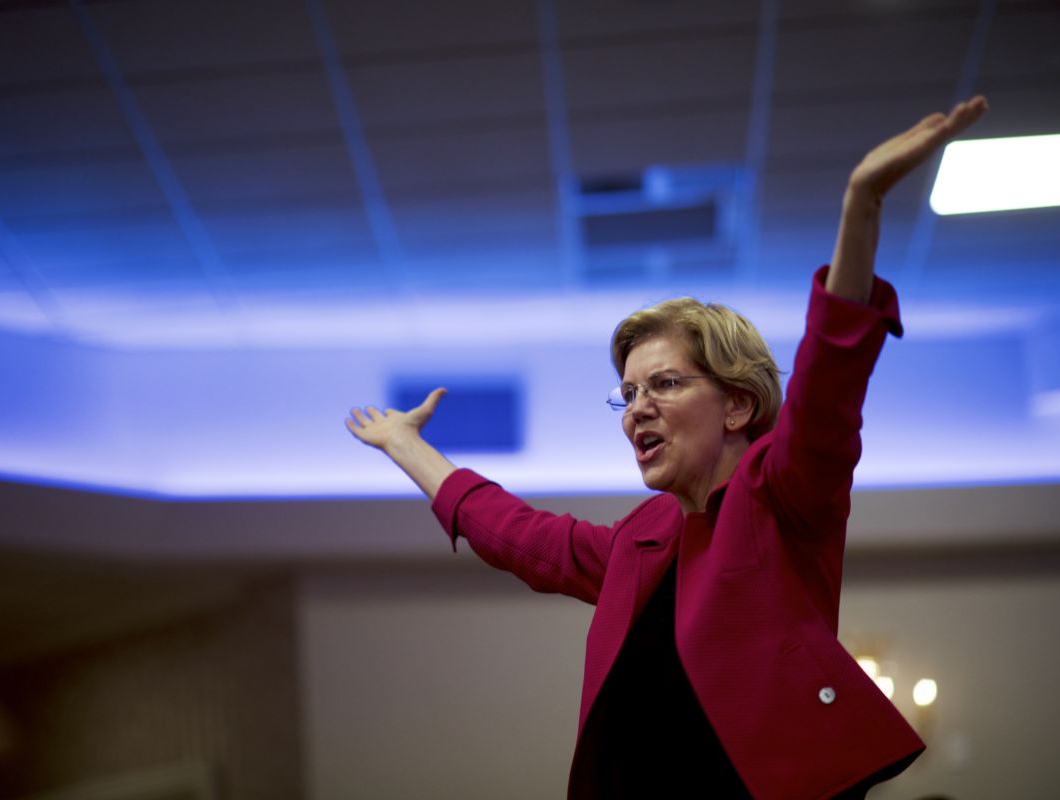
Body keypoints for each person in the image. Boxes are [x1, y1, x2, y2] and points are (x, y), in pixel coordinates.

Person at [346, 97, 988, 800]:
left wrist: (861, 203)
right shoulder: (639, 543)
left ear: (738, 404)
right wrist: (405, 445)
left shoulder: (785, 493)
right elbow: (516, 535)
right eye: (627, 394)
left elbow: (828, 387)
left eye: (665, 384)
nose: (637, 409)